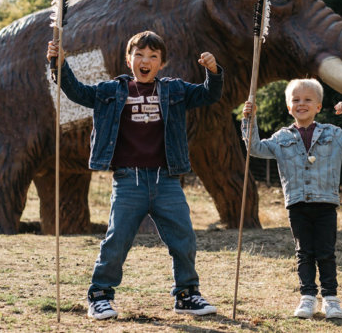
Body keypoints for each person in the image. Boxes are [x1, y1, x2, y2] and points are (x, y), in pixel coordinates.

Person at [47, 30, 222, 320]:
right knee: (117, 240)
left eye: (153, 56)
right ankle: (100, 295)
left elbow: (208, 94)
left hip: (166, 180)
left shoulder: (175, 90)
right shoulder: (110, 91)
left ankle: (187, 295)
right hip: (129, 181)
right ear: (128, 60)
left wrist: (214, 72)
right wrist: (59, 64)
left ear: (161, 64)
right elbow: (76, 91)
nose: (145, 60)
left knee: (184, 238)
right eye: (139, 54)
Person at [241, 78, 342, 319]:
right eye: (296, 100)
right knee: (304, 252)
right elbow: (253, 148)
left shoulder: (332, 133)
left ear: (318, 106)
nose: (301, 103)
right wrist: (249, 119)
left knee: (326, 252)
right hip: (297, 205)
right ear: (289, 107)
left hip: (325, 203)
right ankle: (307, 297)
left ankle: (331, 300)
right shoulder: (280, 138)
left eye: (308, 99)